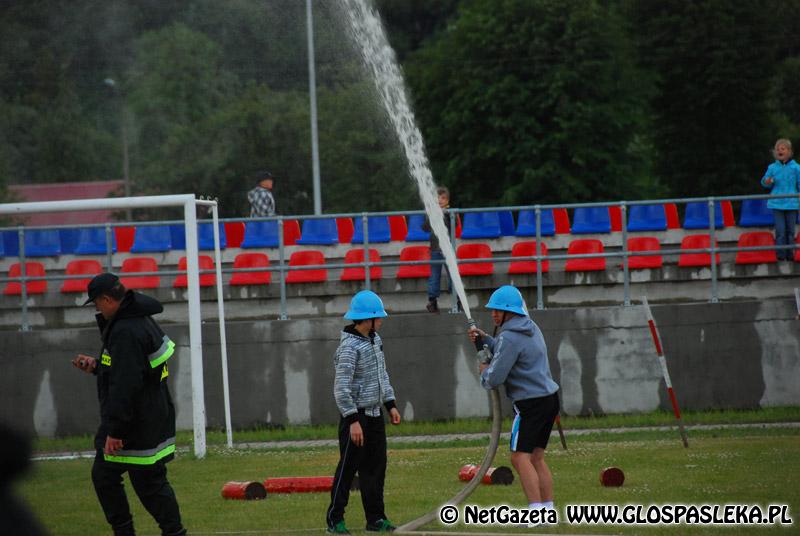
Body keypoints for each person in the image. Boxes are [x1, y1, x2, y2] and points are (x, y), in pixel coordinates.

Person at [72, 273, 186, 536]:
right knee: (139, 480)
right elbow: (129, 370)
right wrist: (97, 367)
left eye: (97, 304)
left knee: (132, 480)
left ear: (107, 299)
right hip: (149, 414)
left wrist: (116, 431)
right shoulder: (139, 319)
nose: (98, 310)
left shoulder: (125, 330)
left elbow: (127, 384)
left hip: (135, 420)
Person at [468, 285, 560, 523]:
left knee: (519, 458)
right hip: (549, 400)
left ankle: (536, 513)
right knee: (536, 458)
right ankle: (548, 510)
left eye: (498, 310)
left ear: (511, 312)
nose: (494, 314)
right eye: (493, 310)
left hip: (530, 404)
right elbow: (507, 348)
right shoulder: (530, 327)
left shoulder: (509, 337)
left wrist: (484, 370)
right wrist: (487, 340)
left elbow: (495, 378)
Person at [326, 290, 401, 534]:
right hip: (356, 418)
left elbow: (382, 375)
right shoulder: (349, 348)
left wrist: (390, 404)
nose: (381, 321)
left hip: (375, 415)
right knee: (348, 470)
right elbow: (341, 389)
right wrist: (352, 420)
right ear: (367, 319)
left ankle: (375, 519)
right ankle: (335, 520)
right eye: (379, 317)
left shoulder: (375, 340)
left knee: (375, 469)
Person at [761, 139, 800, 260]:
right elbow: (765, 182)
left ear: (789, 151)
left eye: (782, 149)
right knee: (780, 231)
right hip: (777, 203)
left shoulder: (796, 167)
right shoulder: (772, 167)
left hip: (792, 204)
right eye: (777, 149)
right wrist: (767, 181)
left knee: (790, 231)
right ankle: (780, 255)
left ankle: (790, 254)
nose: (779, 151)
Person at [421, 186, 454, 313]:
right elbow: (425, 228)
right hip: (435, 249)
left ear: (447, 201)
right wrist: (432, 215)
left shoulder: (450, 212)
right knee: (434, 275)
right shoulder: (432, 212)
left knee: (452, 274)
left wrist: (445, 214)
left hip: (448, 250)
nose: (440, 200)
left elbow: (455, 225)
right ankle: (432, 301)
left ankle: (457, 299)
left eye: (443, 198)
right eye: (438, 198)